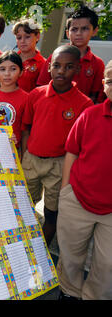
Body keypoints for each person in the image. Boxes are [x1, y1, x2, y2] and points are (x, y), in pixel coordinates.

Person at [21, 45, 94, 246]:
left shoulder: (84, 104)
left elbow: (80, 145)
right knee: (24, 207)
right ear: (49, 68)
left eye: (68, 66)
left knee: (51, 212)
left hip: (59, 165)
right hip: (31, 160)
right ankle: (23, 246)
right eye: (57, 66)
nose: (61, 71)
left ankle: (42, 252)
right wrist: (25, 155)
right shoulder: (35, 95)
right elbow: (26, 128)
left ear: (78, 69)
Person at [56, 60, 112, 300]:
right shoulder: (90, 114)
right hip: (78, 198)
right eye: (111, 81)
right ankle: (69, 291)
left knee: (107, 263)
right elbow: (72, 151)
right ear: (104, 84)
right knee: (70, 255)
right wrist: (65, 191)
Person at [36, 6, 105, 104]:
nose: (79, 33)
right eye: (74, 29)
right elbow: (41, 87)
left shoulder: (98, 63)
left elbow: (96, 97)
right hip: (53, 108)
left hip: (81, 113)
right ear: (67, 33)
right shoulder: (54, 57)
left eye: (85, 29)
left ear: (94, 31)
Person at [12, 19, 46, 93]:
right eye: (19, 37)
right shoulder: (9, 60)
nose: (22, 41)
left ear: (37, 36)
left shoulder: (43, 64)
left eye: (27, 37)